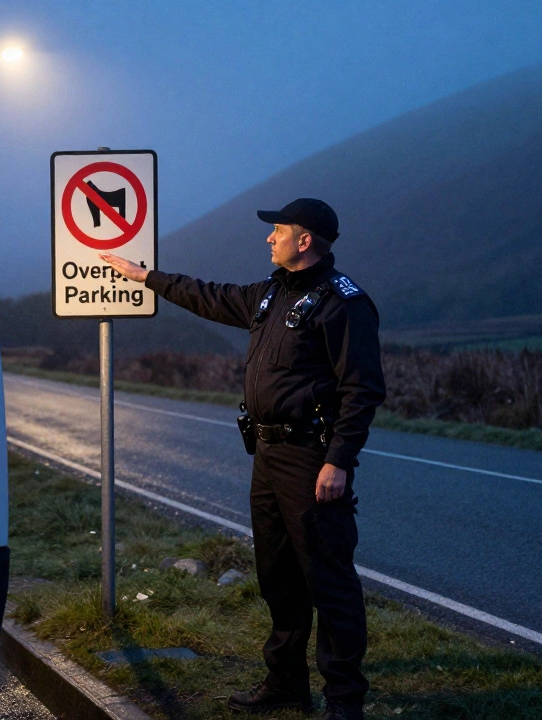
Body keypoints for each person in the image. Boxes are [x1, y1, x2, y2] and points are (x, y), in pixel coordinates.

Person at [100, 197, 385, 720]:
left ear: (305, 241)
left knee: (330, 582)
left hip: (311, 458)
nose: (268, 238)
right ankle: (285, 683)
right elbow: (209, 296)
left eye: (278, 230)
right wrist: (146, 276)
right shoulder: (270, 294)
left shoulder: (343, 303)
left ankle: (345, 701)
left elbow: (362, 389)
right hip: (268, 454)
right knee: (278, 576)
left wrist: (338, 461)